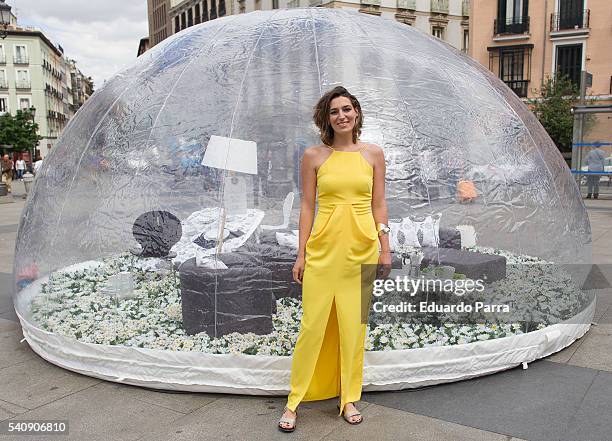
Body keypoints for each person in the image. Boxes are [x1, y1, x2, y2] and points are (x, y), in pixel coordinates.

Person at [278, 86, 392, 432]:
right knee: (312, 327)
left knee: (353, 329)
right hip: (323, 252)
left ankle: (348, 398)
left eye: (346, 109)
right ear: (326, 119)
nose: (341, 115)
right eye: (334, 111)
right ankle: (294, 401)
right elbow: (308, 207)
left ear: (356, 113)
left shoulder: (373, 154)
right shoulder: (314, 155)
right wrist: (301, 253)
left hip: (361, 251)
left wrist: (385, 247)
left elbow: (379, 204)